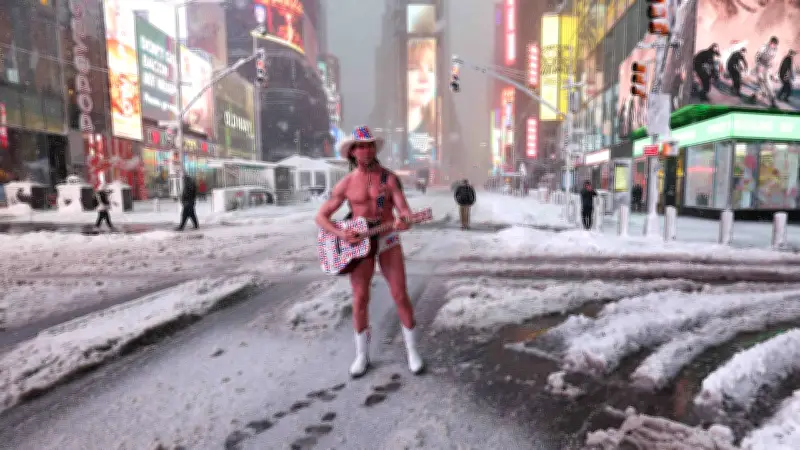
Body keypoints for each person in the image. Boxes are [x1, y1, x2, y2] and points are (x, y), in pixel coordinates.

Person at [315, 125, 424, 378]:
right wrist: (341, 234)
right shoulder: (346, 183)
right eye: (361, 147)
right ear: (352, 152)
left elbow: (404, 211)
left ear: (375, 149)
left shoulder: (389, 178)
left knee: (400, 294)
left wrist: (405, 221)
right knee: (360, 298)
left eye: (370, 146)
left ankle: (412, 351)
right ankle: (361, 355)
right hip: (359, 243)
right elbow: (321, 217)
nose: (366, 151)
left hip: (387, 238)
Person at [750, 37, 779, 108]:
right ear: (770, 42)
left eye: (775, 45)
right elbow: (757, 57)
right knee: (763, 87)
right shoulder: (764, 47)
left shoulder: (775, 49)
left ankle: (772, 102)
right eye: (773, 44)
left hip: (767, 68)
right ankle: (754, 97)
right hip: (761, 67)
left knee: (769, 86)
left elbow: (773, 60)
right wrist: (759, 70)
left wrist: (773, 72)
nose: (774, 46)